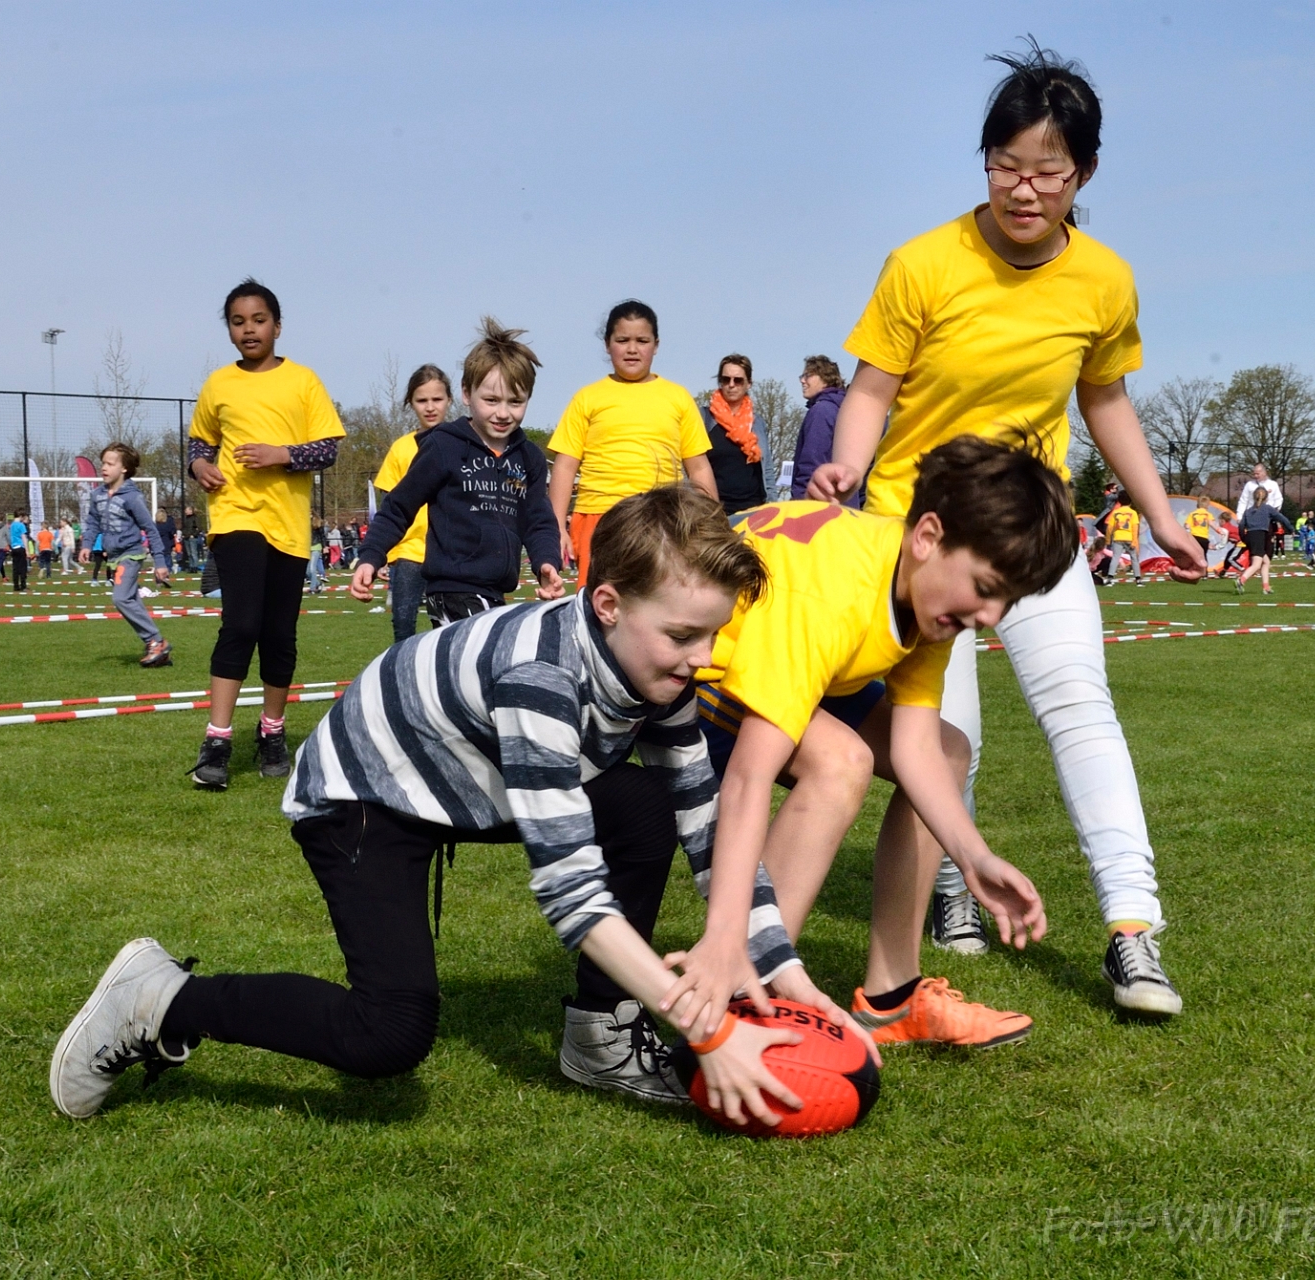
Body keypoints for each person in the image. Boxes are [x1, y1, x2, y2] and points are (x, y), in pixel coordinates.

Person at [50, 486, 828, 1125]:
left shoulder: (661, 674)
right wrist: (706, 1025)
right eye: (686, 634)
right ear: (608, 604)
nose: (705, 658)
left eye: (714, 634)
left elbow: (709, 829)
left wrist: (786, 972)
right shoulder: (543, 679)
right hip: (366, 790)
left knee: (649, 806)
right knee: (387, 1035)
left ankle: (601, 1035)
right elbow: (571, 893)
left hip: (464, 775)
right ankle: (161, 998)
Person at [809, 43, 1203, 1015]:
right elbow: (871, 389)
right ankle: (950, 894)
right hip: (923, 534)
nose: (1024, 189)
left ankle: (1133, 929)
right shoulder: (922, 263)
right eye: (1005, 165)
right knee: (946, 740)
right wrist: (848, 472)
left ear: (1086, 174)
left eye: (1047, 170)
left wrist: (1159, 514)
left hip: (1033, 529)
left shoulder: (1104, 282)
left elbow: (1105, 398)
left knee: (1079, 702)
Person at [676, 437, 1067, 1051]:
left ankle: (890, 998)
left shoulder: (925, 591)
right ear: (929, 537)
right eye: (987, 586)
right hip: (695, 669)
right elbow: (749, 778)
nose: (991, 614)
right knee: (841, 761)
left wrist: (974, 858)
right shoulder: (833, 593)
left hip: (789, 658)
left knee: (947, 750)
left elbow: (915, 751)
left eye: (1006, 600)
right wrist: (727, 931)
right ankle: (735, 993)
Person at [186, 279, 345, 790]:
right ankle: (217, 739)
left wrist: (283, 454)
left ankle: (272, 732)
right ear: (229, 329)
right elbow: (197, 442)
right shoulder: (218, 385)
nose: (249, 329)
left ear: (277, 325)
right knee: (241, 624)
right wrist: (197, 466)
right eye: (238, 321)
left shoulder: (303, 382)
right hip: (236, 517)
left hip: (289, 527)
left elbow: (328, 449)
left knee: (279, 633)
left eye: (258, 320)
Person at [352, 320, 564, 627]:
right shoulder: (443, 446)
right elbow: (399, 506)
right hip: (452, 589)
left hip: (495, 591)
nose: (503, 413)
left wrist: (547, 562)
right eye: (491, 400)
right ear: (466, 393)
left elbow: (539, 520)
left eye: (515, 402)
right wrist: (371, 556)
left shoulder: (528, 456)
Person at [547, 300, 719, 584]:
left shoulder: (678, 398)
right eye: (622, 340)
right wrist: (556, 527)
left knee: (658, 605)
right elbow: (565, 467)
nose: (632, 349)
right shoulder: (587, 398)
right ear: (607, 344)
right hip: (599, 517)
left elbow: (699, 468)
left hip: (663, 518)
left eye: (642, 340)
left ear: (656, 344)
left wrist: (713, 524)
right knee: (598, 607)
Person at [371, 364, 453, 642]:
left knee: (447, 632)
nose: (430, 407)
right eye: (422, 400)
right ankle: (402, 684)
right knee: (403, 629)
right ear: (411, 403)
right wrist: (382, 554)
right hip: (408, 554)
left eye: (437, 399)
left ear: (450, 400)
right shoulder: (401, 449)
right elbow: (388, 507)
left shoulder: (462, 444)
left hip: (449, 554)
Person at [81, 442, 174, 668]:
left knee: (120, 598)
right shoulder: (97, 495)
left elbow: (151, 530)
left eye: (110, 464)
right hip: (112, 556)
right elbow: (93, 522)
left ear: (124, 469)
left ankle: (156, 640)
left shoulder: (133, 497)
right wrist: (86, 544)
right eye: (103, 462)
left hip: (131, 555)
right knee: (131, 599)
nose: (104, 467)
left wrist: (160, 563)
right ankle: (156, 647)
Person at [698, 354, 769, 514]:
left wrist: (771, 504)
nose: (731, 385)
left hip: (753, 509)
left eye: (738, 380)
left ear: (748, 384)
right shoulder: (704, 418)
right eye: (725, 379)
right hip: (714, 511)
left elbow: (767, 468)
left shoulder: (756, 423)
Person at [788, 356, 849, 503]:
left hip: (818, 503)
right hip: (846, 504)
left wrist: (799, 499)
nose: (803, 380)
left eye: (808, 375)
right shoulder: (845, 410)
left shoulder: (821, 410)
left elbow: (811, 463)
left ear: (825, 378)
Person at [1236, 485, 1294, 595]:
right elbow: (1282, 518)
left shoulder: (1248, 511)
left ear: (1254, 497)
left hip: (1249, 536)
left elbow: (1241, 526)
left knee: (1265, 562)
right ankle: (1241, 580)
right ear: (1266, 498)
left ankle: (1266, 587)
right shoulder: (1267, 509)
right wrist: (1291, 529)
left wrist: (1244, 539)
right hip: (1259, 536)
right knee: (1256, 564)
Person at [1100, 489, 1142, 584]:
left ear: (1119, 500)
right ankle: (1138, 578)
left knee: (1115, 557)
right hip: (1129, 538)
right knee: (1134, 558)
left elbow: (1110, 527)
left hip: (1117, 537)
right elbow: (1135, 528)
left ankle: (1110, 577)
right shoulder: (1133, 513)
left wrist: (1107, 540)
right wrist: (1135, 541)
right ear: (1131, 501)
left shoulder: (1115, 512)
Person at [1182, 499, 1213, 572]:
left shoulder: (1192, 514)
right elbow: (1211, 523)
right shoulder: (1208, 514)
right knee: (1204, 555)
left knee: (1193, 555)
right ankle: (1204, 572)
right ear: (1207, 505)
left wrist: (1187, 531)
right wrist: (1219, 530)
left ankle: (1192, 570)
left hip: (1194, 537)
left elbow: (1187, 526)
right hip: (1204, 538)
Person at [8, 512, 31, 592]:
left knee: (15, 568)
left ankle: (16, 586)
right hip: (20, 547)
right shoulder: (21, 525)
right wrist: (27, 551)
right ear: (21, 516)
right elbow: (24, 537)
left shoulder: (11, 525)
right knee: (22, 568)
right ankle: (23, 586)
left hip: (14, 548)